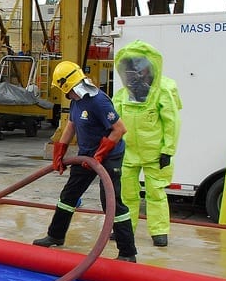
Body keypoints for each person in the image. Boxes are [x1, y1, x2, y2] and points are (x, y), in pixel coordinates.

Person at [32, 61, 138, 262]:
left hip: (108, 157)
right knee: (69, 195)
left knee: (111, 202)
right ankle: (55, 235)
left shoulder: (99, 102)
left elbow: (119, 130)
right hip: (86, 155)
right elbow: (71, 126)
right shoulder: (76, 101)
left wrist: (99, 156)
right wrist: (59, 152)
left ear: (68, 85)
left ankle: (127, 252)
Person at [113, 40, 182, 247]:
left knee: (156, 193)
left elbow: (172, 123)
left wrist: (167, 150)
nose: (133, 74)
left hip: (154, 154)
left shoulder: (162, 93)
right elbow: (112, 123)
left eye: (137, 69)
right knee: (126, 194)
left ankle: (159, 231)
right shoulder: (123, 95)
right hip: (128, 153)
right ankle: (125, 229)